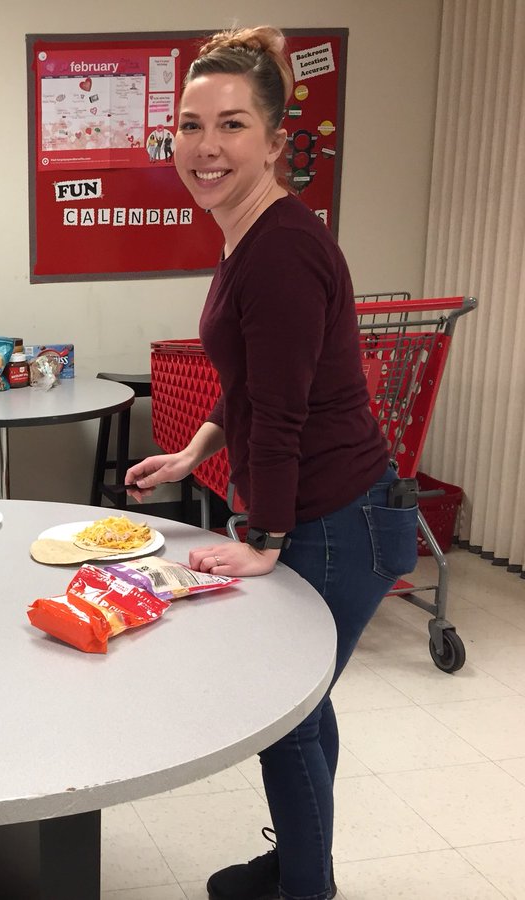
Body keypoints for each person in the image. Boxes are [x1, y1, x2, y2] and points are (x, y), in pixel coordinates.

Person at [125, 27, 420, 900]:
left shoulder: (282, 247)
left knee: (283, 716)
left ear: (275, 141)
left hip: (336, 520)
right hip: (335, 512)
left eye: (232, 125)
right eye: (189, 124)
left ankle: (305, 890)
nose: (206, 147)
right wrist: (198, 447)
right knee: (305, 707)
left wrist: (263, 535)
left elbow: (286, 411)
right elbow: (254, 378)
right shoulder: (251, 231)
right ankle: (299, 867)